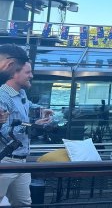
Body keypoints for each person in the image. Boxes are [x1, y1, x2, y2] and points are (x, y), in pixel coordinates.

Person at [0, 47, 53, 206]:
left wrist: (41, 110)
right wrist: (33, 126)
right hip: (5, 161)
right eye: (28, 72)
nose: (31, 75)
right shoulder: (2, 97)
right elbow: (3, 131)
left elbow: (27, 105)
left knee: (23, 204)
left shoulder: (21, 93)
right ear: (14, 73)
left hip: (22, 162)